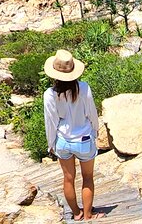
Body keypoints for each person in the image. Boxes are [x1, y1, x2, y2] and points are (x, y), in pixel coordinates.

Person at [43, 49, 104, 221]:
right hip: (84, 139)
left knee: (68, 179)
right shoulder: (83, 88)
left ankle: (76, 213)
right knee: (87, 178)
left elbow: (51, 122)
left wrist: (51, 143)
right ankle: (88, 214)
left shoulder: (49, 94)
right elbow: (91, 113)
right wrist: (95, 130)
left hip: (63, 141)